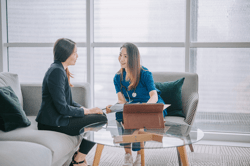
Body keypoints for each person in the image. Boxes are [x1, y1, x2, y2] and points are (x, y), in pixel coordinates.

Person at [36, 38, 107, 166]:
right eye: (75, 53)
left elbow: (68, 101)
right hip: (52, 123)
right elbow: (62, 108)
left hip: (56, 119)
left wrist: (86, 110)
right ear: (66, 53)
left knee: (99, 117)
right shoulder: (56, 71)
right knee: (101, 119)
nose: (77, 56)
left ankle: (78, 157)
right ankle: (78, 159)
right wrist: (88, 111)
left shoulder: (59, 69)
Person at [106, 42, 167, 166]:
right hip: (132, 104)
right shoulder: (117, 77)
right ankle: (127, 154)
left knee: (139, 117)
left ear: (133, 58)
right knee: (121, 114)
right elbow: (121, 100)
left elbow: (154, 96)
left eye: (125, 56)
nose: (121, 59)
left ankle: (140, 155)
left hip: (150, 104)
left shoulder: (145, 73)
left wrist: (144, 108)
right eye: (120, 55)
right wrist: (113, 107)